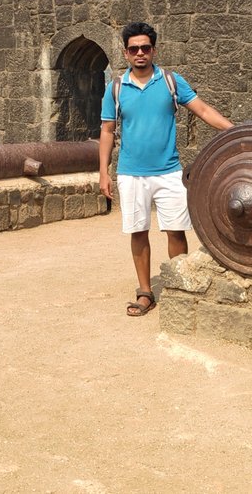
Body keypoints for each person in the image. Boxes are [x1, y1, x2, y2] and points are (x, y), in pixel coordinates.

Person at [98, 21, 233, 317]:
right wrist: (104, 172)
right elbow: (107, 130)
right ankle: (145, 292)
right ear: (126, 53)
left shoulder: (171, 81)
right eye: (134, 49)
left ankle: (180, 287)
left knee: (175, 230)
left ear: (154, 50)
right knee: (138, 231)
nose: (140, 53)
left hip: (168, 170)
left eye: (145, 47)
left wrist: (234, 131)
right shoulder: (117, 88)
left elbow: (204, 110)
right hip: (132, 172)